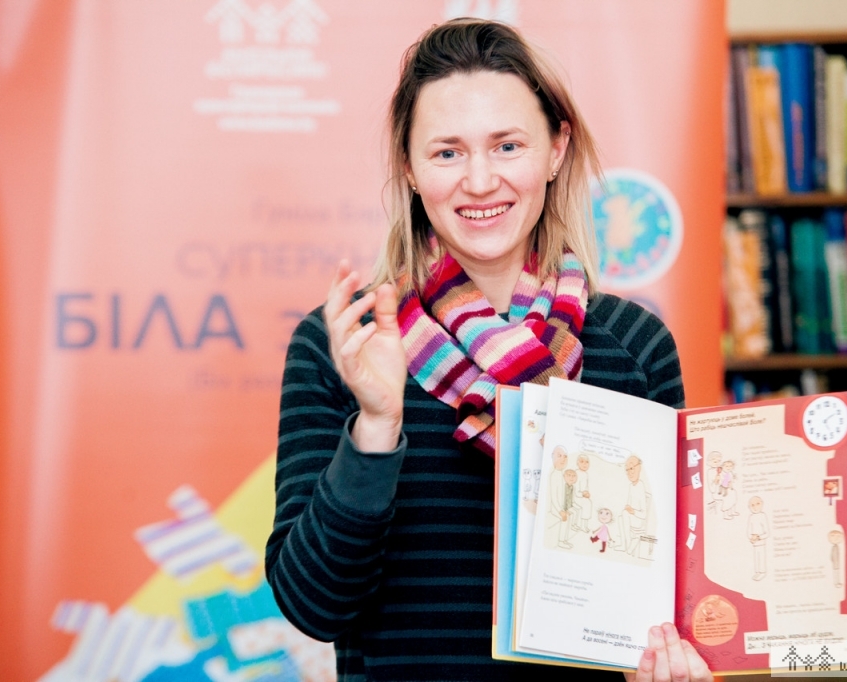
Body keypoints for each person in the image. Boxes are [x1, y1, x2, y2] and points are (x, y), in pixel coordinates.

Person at [265, 18, 712, 682]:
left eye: (507, 146)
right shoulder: (347, 344)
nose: (479, 181)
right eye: (447, 153)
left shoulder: (635, 346)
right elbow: (313, 606)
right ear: (410, 168)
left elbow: (668, 598)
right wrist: (377, 426)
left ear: (556, 150)